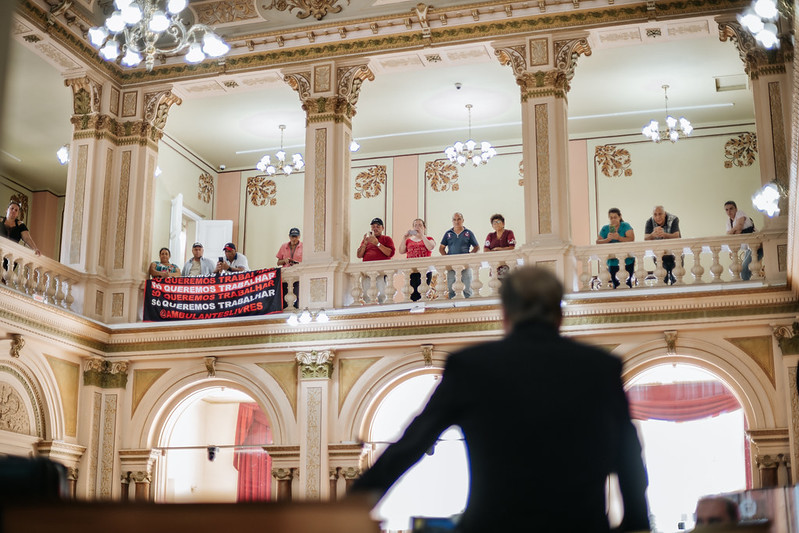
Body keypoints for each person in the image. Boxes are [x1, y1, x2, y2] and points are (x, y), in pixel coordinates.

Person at [350, 266, 650, 533]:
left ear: (506, 314)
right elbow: (628, 452)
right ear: (559, 315)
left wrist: (348, 508)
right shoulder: (599, 368)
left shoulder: (471, 366)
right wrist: (636, 522)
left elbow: (411, 444)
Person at [439, 212, 479, 298]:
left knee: (467, 288)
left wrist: (469, 256)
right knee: (451, 288)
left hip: (465, 264)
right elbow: (441, 248)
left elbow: (476, 247)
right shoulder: (448, 233)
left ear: (463, 220)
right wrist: (447, 259)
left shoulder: (468, 233)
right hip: (452, 265)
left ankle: (468, 309)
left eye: (459, 219)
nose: (457, 222)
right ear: (452, 221)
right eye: (454, 220)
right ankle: (453, 309)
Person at [356, 217, 395, 303]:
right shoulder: (366, 240)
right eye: (373, 226)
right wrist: (365, 244)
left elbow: (390, 253)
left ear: (382, 228)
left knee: (383, 294)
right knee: (366, 295)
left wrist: (377, 243)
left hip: (381, 272)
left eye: (378, 226)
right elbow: (359, 255)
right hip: (367, 272)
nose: (375, 228)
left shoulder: (386, 239)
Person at [596, 207, 635, 288]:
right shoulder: (605, 228)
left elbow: (631, 239)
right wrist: (608, 239)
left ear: (619, 217)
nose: (613, 219)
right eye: (611, 218)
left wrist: (619, 238)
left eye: (615, 217)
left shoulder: (625, 225)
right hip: (612, 262)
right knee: (615, 283)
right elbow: (598, 242)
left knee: (627, 283)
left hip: (627, 260)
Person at [399, 218, 435, 302]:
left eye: (420, 225)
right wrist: (404, 238)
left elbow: (430, 247)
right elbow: (401, 251)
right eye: (415, 225)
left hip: (425, 270)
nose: (417, 227)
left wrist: (422, 235)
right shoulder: (409, 240)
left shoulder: (429, 238)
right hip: (411, 270)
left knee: (422, 291)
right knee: (412, 292)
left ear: (424, 227)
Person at [644, 206, 681, 284]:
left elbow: (676, 236)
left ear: (665, 214)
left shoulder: (673, 219)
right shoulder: (649, 221)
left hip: (675, 254)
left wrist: (664, 234)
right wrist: (652, 235)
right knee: (662, 280)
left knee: (676, 279)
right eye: (655, 214)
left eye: (660, 214)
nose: (658, 217)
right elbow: (646, 238)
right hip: (659, 256)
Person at [724, 200, 759, 281]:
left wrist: (732, 232)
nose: (729, 211)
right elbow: (730, 236)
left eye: (731, 208)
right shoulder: (728, 222)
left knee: (744, 272)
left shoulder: (740, 213)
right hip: (749, 248)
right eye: (726, 210)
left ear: (736, 209)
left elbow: (739, 228)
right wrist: (734, 231)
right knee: (743, 271)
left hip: (756, 246)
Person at [276, 227, 303, 308]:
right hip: (286, 274)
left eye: (296, 236)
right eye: (292, 236)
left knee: (297, 293)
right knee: (284, 294)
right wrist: (285, 260)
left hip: (298, 274)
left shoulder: (303, 246)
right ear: (289, 237)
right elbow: (278, 262)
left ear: (299, 237)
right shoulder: (284, 246)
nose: (294, 239)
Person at [483, 213, 516, 279]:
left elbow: (511, 247)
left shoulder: (509, 233)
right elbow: (486, 249)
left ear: (503, 224)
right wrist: (493, 252)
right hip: (495, 265)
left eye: (498, 222)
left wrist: (499, 249)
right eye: (494, 223)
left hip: (507, 264)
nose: (496, 224)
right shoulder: (490, 235)